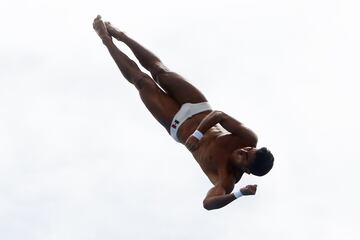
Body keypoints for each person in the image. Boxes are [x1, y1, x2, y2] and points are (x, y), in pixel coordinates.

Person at [93, 15, 274, 210]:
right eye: (249, 150)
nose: (244, 150)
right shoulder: (248, 138)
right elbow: (220, 115)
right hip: (198, 106)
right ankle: (120, 34)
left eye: (245, 157)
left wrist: (239, 194)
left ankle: (105, 39)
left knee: (142, 82)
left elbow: (208, 204)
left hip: (176, 123)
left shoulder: (226, 179)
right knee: (159, 70)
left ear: (246, 170)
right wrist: (199, 133)